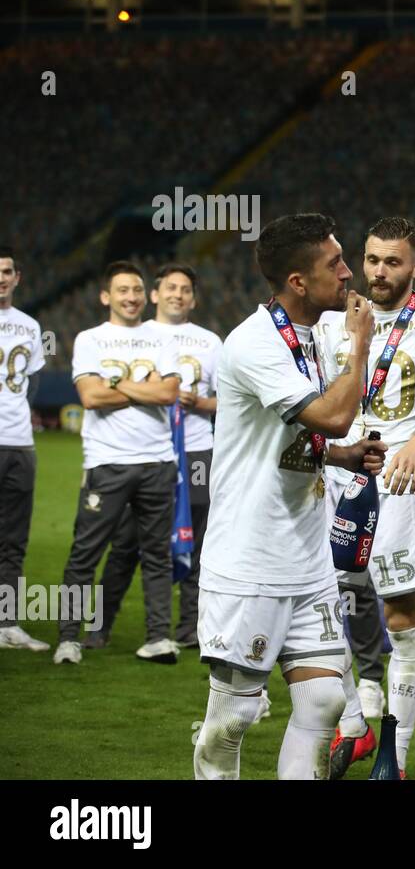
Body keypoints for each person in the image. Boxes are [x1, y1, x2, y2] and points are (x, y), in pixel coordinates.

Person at [192, 214, 386, 780]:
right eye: (336, 264)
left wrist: (340, 456)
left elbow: (301, 435)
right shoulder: (253, 342)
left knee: (325, 702)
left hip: (307, 562)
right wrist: (360, 344)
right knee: (232, 720)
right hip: (249, 561)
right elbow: (333, 415)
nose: (349, 273)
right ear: (298, 282)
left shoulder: (309, 337)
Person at [318, 217, 415, 780]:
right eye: (373, 259)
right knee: (327, 608)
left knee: (402, 617)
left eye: (393, 262)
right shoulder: (337, 318)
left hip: (398, 476)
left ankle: (393, 758)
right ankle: (354, 723)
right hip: (334, 474)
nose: (380, 271)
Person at [84, 264, 221, 650]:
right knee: (125, 544)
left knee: (196, 542)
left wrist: (202, 402)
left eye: (186, 289)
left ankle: (189, 630)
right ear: (155, 295)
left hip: (195, 450)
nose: (178, 294)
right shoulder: (137, 337)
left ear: (194, 299)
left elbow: (229, 399)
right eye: (170, 287)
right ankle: (99, 626)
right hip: (145, 452)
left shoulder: (211, 342)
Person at [54, 262, 180, 666]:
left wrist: (112, 383)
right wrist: (146, 388)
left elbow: (168, 395)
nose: (131, 297)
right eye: (122, 290)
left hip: (158, 461)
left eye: (137, 290)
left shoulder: (161, 338)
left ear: (145, 295)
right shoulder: (90, 339)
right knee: (85, 553)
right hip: (106, 462)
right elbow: (89, 398)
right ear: (106, 297)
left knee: (157, 554)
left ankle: (159, 638)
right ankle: (69, 639)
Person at [0, 246, 48, 651]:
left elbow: (28, 385)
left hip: (18, 443)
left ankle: (7, 623)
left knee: (13, 540)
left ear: (18, 277)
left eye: (6, 271)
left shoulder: (30, 327)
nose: (1, 277)